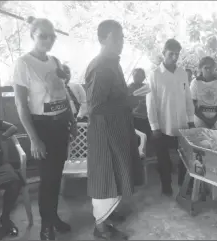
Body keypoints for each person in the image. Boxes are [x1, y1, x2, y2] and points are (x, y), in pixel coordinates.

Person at [13, 16, 77, 240]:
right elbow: (21, 104)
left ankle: (53, 217)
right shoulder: (24, 63)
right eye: (42, 36)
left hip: (60, 125)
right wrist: (34, 139)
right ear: (32, 35)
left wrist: (73, 121)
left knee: (56, 176)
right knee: (47, 180)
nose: (48, 40)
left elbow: (63, 94)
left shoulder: (55, 61)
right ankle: (45, 226)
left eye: (51, 36)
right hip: (42, 128)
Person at [84, 19, 143, 240]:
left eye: (122, 37)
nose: (121, 42)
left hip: (116, 130)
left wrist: (128, 97)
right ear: (102, 39)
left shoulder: (113, 63)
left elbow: (113, 95)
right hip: (104, 134)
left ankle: (108, 215)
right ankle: (101, 228)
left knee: (116, 176)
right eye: (116, 38)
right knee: (105, 179)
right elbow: (96, 106)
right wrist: (127, 102)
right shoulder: (100, 66)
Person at [146, 38, 195, 196]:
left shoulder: (182, 73)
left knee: (184, 157)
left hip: (182, 124)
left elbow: (187, 97)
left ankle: (183, 183)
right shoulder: (154, 75)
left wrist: (191, 119)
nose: (174, 57)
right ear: (163, 53)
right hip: (163, 124)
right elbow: (151, 102)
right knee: (163, 159)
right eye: (171, 54)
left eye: (177, 54)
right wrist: (154, 126)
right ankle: (166, 185)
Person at [0, 119, 21, 240]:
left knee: (15, 183)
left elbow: (13, 127)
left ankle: (5, 218)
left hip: (1, 165)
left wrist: (2, 137)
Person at [190, 56, 217, 129]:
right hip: (199, 121)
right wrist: (206, 120)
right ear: (201, 69)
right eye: (205, 68)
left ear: (214, 68)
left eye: (210, 67)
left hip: (215, 121)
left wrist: (214, 119)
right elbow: (192, 105)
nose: (208, 70)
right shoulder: (195, 82)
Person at [128, 68, 151, 137]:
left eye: (140, 76)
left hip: (147, 118)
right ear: (133, 76)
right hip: (134, 118)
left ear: (143, 78)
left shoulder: (147, 87)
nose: (138, 78)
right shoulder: (128, 88)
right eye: (136, 76)